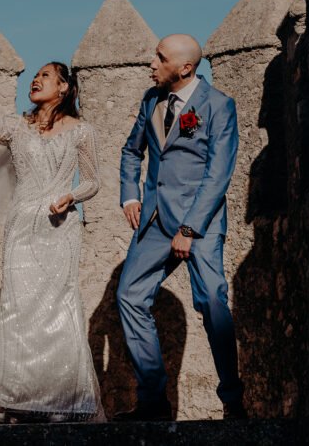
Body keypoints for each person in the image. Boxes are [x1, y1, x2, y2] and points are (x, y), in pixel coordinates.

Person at [0, 53, 106, 423]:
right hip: (22, 227)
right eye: (35, 75)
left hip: (59, 228)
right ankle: (13, 398)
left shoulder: (82, 131)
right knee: (16, 308)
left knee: (60, 306)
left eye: (45, 75)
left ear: (64, 87)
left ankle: (64, 399)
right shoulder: (16, 127)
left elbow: (93, 181)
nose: (35, 80)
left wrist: (71, 196)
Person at [114, 34, 246, 421]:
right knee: (130, 295)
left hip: (199, 222)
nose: (151, 64)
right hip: (155, 219)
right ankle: (153, 401)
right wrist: (130, 196)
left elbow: (218, 174)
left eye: (160, 58)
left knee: (212, 302)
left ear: (185, 67)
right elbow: (131, 151)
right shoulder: (150, 100)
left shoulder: (219, 105)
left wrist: (188, 230)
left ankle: (232, 400)